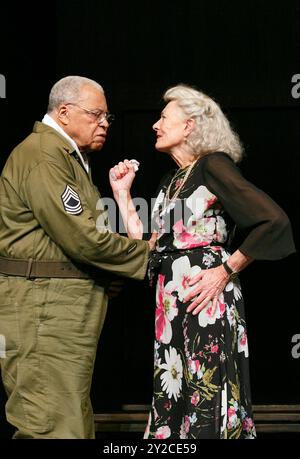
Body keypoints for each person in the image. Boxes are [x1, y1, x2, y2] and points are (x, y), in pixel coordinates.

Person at [109, 84, 296, 439]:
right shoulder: (171, 180)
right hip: (172, 306)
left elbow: (273, 220)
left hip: (205, 300)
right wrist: (122, 196)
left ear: (189, 126)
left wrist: (225, 271)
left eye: (164, 118)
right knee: (175, 391)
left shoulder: (213, 165)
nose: (155, 125)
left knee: (205, 391)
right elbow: (150, 250)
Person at [0, 76, 151, 439]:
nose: (104, 124)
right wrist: (151, 255)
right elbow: (84, 240)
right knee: (52, 424)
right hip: (43, 311)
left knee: (69, 418)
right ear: (64, 112)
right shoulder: (43, 156)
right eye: (96, 114)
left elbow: (78, 237)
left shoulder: (65, 157)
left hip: (56, 308)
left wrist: (105, 275)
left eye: (107, 118)